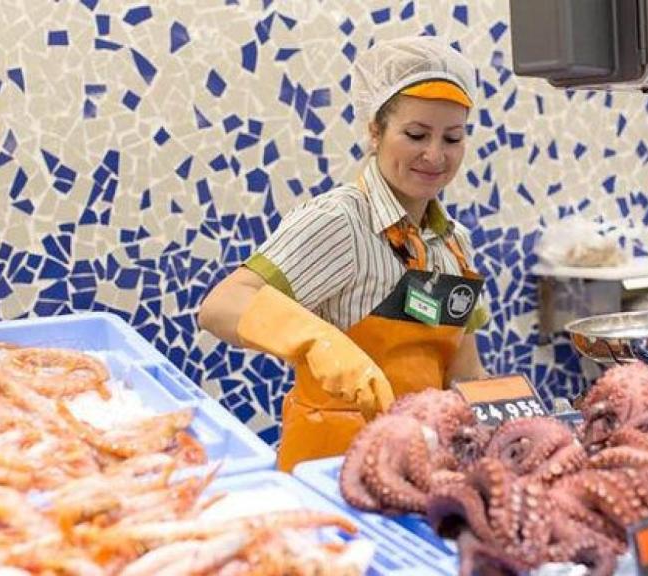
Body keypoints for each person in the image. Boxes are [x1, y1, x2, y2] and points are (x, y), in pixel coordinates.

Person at [198, 36, 490, 472]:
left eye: (452, 137)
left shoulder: (453, 242)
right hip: (330, 476)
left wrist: (506, 427)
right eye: (415, 134)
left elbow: (465, 374)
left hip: (419, 471)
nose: (435, 155)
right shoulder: (340, 220)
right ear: (375, 132)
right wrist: (318, 339)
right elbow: (220, 305)